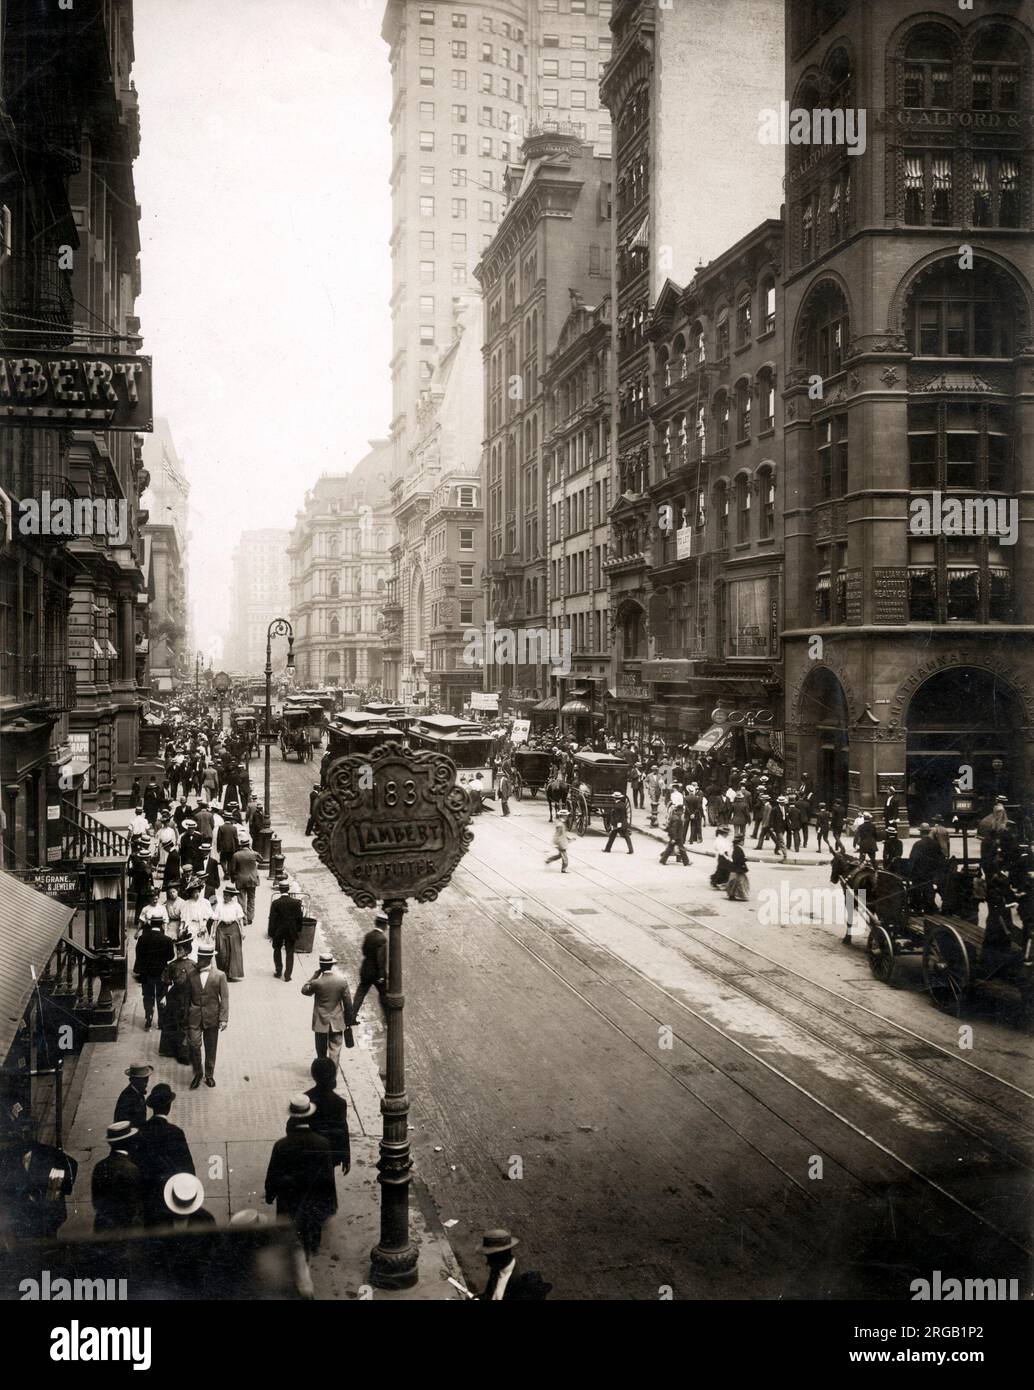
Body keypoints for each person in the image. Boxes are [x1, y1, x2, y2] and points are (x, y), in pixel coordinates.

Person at [264, 1095, 338, 1274]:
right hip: (312, 1202)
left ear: (292, 1117)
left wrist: (270, 1194)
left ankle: (296, 1268)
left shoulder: (281, 1145)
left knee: (289, 1239)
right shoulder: (322, 1144)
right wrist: (330, 1204)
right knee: (308, 1236)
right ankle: (305, 1262)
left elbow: (273, 1174)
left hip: (289, 1203)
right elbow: (328, 1178)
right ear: (309, 1116)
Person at [134, 1083, 195, 1226]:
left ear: (152, 1107)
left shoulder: (140, 1131)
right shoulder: (175, 1132)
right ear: (168, 1107)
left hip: (147, 1196)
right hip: (169, 1195)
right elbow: (187, 1168)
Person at [186, 943, 229, 1089]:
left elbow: (225, 998)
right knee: (194, 1044)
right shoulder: (191, 975)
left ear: (209, 958)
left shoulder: (220, 976)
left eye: (202, 957)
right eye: (198, 956)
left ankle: (209, 1075)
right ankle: (198, 1073)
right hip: (194, 1017)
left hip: (212, 1017)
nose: (198, 959)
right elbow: (186, 998)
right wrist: (185, 1017)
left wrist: (223, 1019)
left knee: (211, 1047)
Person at [301, 953, 354, 1063]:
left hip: (320, 1021)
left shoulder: (316, 983)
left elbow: (304, 991)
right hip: (337, 1021)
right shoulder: (342, 981)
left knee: (321, 1051)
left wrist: (314, 976)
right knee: (335, 1050)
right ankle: (332, 1075)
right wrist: (349, 1021)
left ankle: (322, 1072)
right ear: (332, 965)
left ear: (320, 965)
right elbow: (348, 1004)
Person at [92, 1122, 143, 1233]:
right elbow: (134, 1204)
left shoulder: (99, 1166)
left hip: (103, 1226)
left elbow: (96, 1201)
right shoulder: (131, 1168)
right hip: (125, 1229)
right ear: (128, 1142)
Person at [475, 1229, 552, 1301]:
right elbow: (489, 1295)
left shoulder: (525, 1281)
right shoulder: (496, 1268)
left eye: (491, 1258)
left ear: (501, 1255)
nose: (487, 1263)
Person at [305, 1059, 350, 1175]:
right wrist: (346, 1157)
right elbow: (343, 1129)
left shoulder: (307, 1098)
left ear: (313, 1075)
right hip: (331, 1150)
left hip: (310, 1150)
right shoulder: (340, 1102)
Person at [160, 933, 197, 1063]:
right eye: (177, 949)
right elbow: (166, 982)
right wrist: (164, 997)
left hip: (188, 998)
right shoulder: (172, 965)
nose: (178, 952)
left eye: (180, 949)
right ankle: (170, 1050)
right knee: (173, 1022)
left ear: (187, 950)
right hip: (175, 998)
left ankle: (184, 1053)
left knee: (185, 1025)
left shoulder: (193, 965)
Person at [134, 916, 174, 1031]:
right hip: (161, 972)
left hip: (146, 973)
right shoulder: (167, 939)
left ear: (151, 924)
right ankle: (161, 1021)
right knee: (161, 996)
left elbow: (138, 956)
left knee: (148, 996)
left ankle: (148, 1018)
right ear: (162, 925)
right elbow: (170, 956)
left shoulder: (142, 938)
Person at [351, 914, 388, 1024]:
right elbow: (380, 959)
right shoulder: (382, 939)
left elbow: (364, 951)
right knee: (383, 995)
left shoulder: (369, 935)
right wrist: (381, 975)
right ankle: (387, 1018)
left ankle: (351, 1016)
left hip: (366, 969)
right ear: (384, 925)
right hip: (376, 972)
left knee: (360, 993)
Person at [268, 879, 304, 981]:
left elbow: (272, 919)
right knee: (289, 952)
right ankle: (288, 975)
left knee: (277, 950)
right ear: (288, 889)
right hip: (291, 930)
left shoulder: (275, 903)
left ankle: (278, 971)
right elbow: (299, 918)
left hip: (278, 931)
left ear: (279, 889)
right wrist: (298, 930)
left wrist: (271, 933)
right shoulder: (296, 903)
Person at [907, 824, 945, 912]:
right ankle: (929, 906)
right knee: (929, 889)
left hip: (919, 874)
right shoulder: (935, 844)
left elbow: (912, 859)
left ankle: (917, 906)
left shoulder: (917, 844)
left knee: (916, 889)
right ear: (928, 832)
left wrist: (911, 873)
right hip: (931, 874)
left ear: (920, 832)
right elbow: (940, 859)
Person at [214, 885, 246, 980]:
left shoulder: (237, 906)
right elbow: (215, 919)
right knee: (221, 952)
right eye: (224, 895)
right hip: (222, 928)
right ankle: (222, 974)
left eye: (227, 895)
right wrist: (213, 932)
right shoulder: (219, 905)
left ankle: (231, 974)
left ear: (231, 896)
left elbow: (240, 920)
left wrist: (242, 932)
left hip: (233, 928)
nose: (225, 897)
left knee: (233, 952)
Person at [231, 835, 261, 926]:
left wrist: (233, 878)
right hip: (252, 879)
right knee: (251, 899)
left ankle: (243, 919)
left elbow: (232, 869)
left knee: (241, 900)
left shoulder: (236, 855)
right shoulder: (254, 853)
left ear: (240, 845)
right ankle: (250, 917)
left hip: (241, 880)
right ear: (248, 845)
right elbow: (261, 859)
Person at [114, 1062, 153, 1132]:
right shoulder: (127, 1098)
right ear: (132, 1080)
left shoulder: (138, 1092)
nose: (145, 1083)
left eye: (146, 1079)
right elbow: (122, 1123)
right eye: (142, 1080)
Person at [660, 799, 689, 867]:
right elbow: (674, 829)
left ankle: (663, 860)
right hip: (676, 837)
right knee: (680, 848)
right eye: (682, 811)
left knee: (670, 849)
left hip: (676, 836)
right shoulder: (677, 818)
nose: (682, 813)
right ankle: (686, 862)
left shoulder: (675, 817)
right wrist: (674, 838)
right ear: (679, 811)